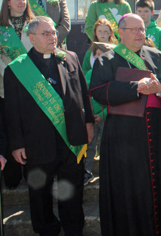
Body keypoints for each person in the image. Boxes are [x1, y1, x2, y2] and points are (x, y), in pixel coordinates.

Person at [4, 16, 94, 236]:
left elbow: (83, 94)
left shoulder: (70, 58)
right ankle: (46, 230)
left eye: (54, 32)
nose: (53, 37)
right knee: (39, 193)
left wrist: (89, 123)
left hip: (71, 139)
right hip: (36, 143)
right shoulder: (16, 70)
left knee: (73, 191)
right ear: (31, 37)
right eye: (46, 33)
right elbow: (11, 112)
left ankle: (74, 228)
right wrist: (16, 144)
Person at [90, 13, 161, 235]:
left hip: (156, 134)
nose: (140, 33)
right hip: (123, 137)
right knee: (126, 190)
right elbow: (98, 92)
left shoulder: (157, 56)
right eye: (134, 29)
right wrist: (134, 87)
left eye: (142, 29)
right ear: (120, 32)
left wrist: (160, 88)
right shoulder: (106, 59)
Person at [0, 0, 34, 189]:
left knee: (30, 130)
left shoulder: (35, 25)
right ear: (8, 2)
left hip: (31, 88)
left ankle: (33, 173)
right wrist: (13, 76)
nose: (21, 2)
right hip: (5, 87)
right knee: (9, 129)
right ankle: (12, 175)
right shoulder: (1, 27)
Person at [81, 19, 118, 186]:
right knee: (89, 144)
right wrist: (92, 115)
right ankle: (86, 172)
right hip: (92, 115)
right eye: (97, 55)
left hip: (107, 114)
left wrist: (102, 114)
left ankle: (107, 172)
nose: (100, 58)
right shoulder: (89, 73)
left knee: (107, 145)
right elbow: (84, 92)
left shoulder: (114, 73)